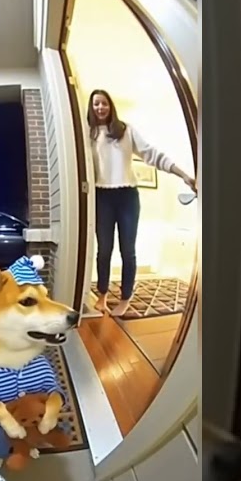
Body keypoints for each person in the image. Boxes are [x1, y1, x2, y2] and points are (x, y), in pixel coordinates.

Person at [85, 89, 197, 316]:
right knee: (104, 249)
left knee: (128, 250)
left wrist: (183, 175)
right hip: (102, 197)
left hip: (127, 197)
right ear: (91, 107)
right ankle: (103, 294)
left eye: (104, 103)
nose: (100, 108)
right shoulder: (88, 134)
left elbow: (152, 154)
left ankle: (125, 298)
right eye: (96, 104)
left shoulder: (125, 131)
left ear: (110, 106)